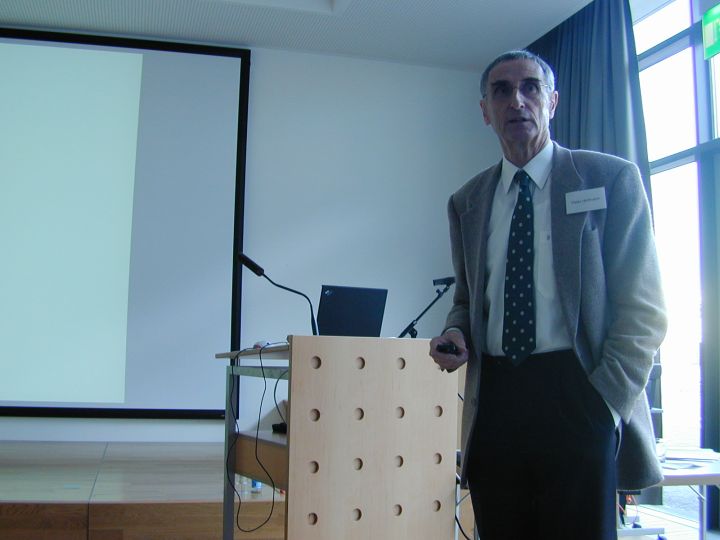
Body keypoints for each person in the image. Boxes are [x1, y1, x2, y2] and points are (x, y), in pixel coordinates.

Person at [429, 50, 667, 540]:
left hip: (579, 391)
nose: (516, 100)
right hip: (496, 400)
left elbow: (644, 310)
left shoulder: (609, 179)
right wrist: (456, 331)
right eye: (501, 90)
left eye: (530, 87)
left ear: (552, 102)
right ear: (485, 110)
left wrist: (605, 403)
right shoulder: (467, 201)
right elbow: (467, 299)